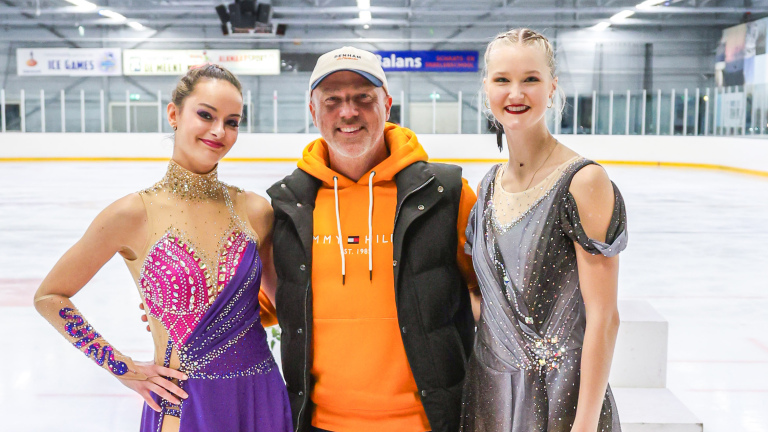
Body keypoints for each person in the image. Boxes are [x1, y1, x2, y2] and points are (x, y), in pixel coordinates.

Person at [33, 64, 293, 432]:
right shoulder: (132, 214)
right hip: (186, 404)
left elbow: (285, 304)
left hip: (260, 394)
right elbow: (49, 296)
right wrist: (123, 368)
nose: (219, 131)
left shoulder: (254, 210)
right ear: (174, 114)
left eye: (232, 121)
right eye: (206, 115)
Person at [265, 47, 480, 432]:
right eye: (332, 100)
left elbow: (485, 292)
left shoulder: (445, 193)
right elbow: (276, 298)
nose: (348, 112)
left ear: (387, 103)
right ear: (314, 112)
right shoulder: (288, 204)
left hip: (429, 422)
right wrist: (193, 314)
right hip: (319, 423)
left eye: (363, 97)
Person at [460, 29, 627, 431]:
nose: (515, 92)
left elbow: (604, 317)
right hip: (492, 392)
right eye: (502, 79)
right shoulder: (486, 188)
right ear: (486, 88)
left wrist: (583, 425)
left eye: (530, 79)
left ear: (552, 87)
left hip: (563, 399)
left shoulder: (583, 181)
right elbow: (489, 303)